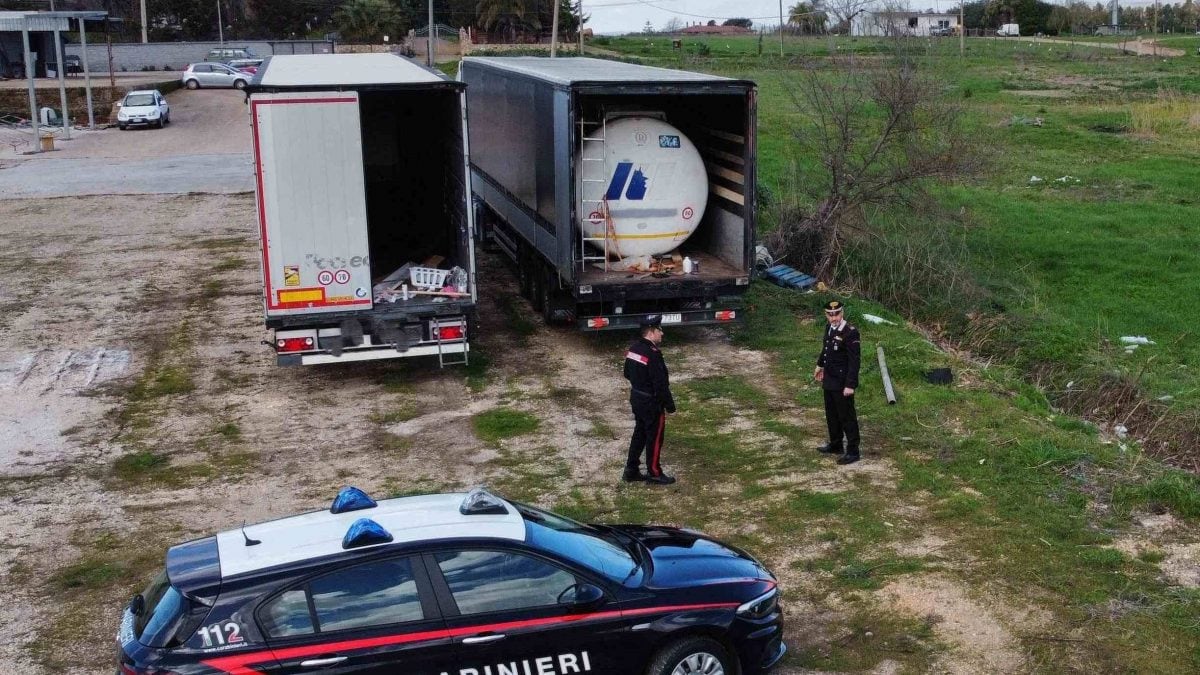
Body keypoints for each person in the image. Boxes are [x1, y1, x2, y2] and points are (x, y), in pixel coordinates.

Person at [623, 314, 677, 485]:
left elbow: (626, 373)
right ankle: (654, 472)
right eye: (660, 330)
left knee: (639, 433)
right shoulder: (653, 354)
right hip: (651, 403)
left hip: (637, 398)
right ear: (652, 332)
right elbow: (660, 384)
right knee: (654, 438)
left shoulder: (634, 349)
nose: (662, 334)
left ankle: (631, 470)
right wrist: (670, 406)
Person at [814, 300, 862, 465]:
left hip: (842, 383)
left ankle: (853, 451)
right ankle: (836, 445)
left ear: (842, 313)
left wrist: (850, 385)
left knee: (847, 416)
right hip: (829, 380)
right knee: (832, 415)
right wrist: (820, 365)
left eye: (837, 314)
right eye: (830, 315)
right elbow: (826, 349)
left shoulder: (850, 333)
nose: (834, 318)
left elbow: (854, 362)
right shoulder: (829, 328)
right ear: (826, 315)